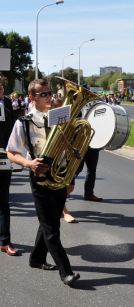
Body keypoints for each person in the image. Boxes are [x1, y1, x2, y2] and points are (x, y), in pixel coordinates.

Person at [7, 79, 80, 286]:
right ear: (32, 98)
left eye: (49, 93)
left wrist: (70, 175)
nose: (49, 97)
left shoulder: (60, 116)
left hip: (61, 171)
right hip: (39, 174)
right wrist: (29, 163)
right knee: (51, 227)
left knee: (51, 218)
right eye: (43, 94)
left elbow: (71, 146)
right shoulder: (24, 122)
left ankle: (37, 258)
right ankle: (66, 272)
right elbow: (12, 152)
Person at [0, 80, 19, 256]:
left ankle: (5, 241)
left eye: (0, 87)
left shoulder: (6, 105)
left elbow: (12, 133)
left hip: (2, 159)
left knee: (4, 201)